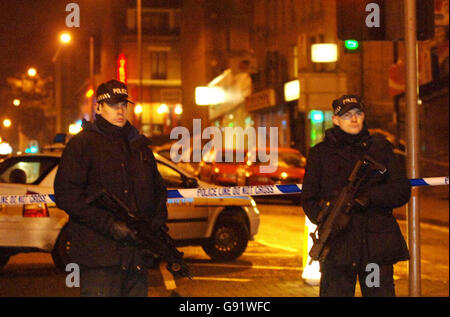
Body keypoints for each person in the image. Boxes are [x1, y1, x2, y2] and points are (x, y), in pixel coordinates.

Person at [54, 79, 168, 297]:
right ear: (98, 108)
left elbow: (158, 192)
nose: (120, 111)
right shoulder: (82, 144)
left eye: (124, 105)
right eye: (114, 105)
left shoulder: (138, 147)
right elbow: (66, 195)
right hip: (99, 261)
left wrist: (154, 227)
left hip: (136, 258)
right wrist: (109, 225)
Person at [301, 94, 411, 297]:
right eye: (347, 115)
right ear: (335, 120)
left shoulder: (380, 148)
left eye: (358, 113)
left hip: (374, 249)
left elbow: (400, 190)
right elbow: (308, 198)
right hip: (338, 247)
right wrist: (327, 217)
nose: (354, 119)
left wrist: (369, 197)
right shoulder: (321, 154)